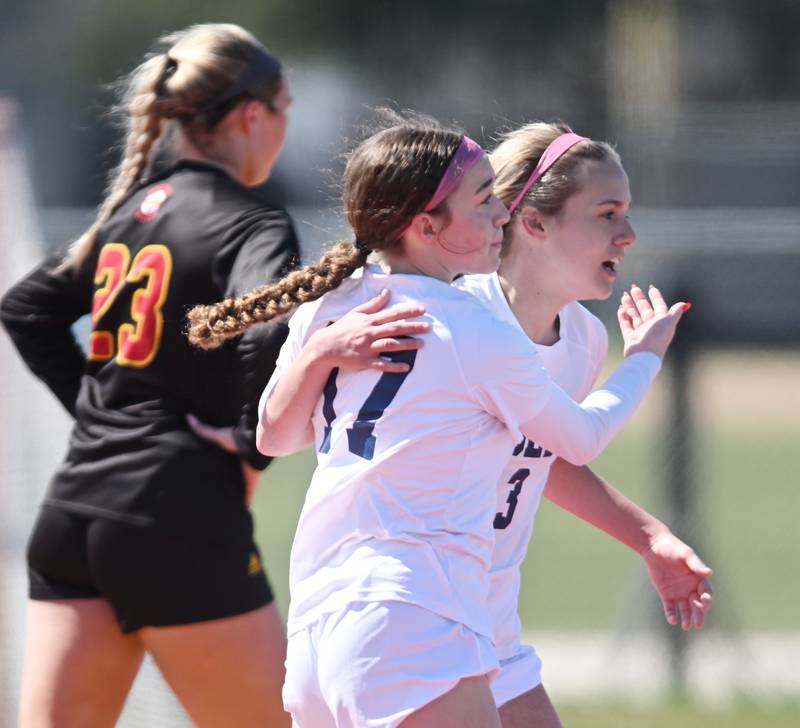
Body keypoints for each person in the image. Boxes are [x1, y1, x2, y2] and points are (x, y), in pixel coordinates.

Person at [187, 115, 688, 728]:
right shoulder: (473, 323)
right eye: (483, 201)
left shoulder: (338, 301)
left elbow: (275, 436)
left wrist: (318, 352)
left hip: (332, 620)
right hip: (417, 614)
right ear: (426, 225)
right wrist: (642, 360)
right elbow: (579, 437)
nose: (499, 214)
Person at [0, 23, 311, 728]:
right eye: (285, 109)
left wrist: (100, 415)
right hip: (176, 512)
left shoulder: (128, 218)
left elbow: (27, 309)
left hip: (75, 513)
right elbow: (267, 327)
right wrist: (251, 442)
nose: (284, 128)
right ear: (250, 115)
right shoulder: (250, 221)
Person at [453, 122, 713, 727]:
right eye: (606, 213)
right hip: (418, 619)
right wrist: (644, 358)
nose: (628, 234)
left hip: (491, 625)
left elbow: (546, 452)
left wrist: (649, 538)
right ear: (535, 223)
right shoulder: (460, 316)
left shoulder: (582, 339)